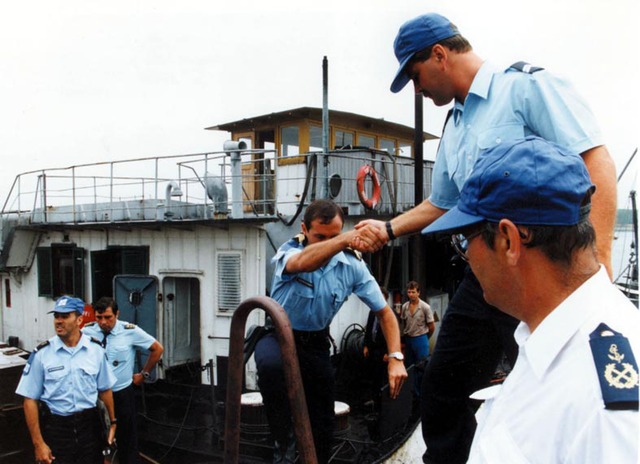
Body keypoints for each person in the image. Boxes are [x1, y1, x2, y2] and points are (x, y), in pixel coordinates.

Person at [353, 12, 617, 464]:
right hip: (486, 272)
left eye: (415, 76)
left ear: (439, 55)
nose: (416, 91)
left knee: (550, 386)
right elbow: (443, 204)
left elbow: (595, 162)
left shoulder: (524, 89)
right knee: (443, 386)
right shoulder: (454, 128)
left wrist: (599, 268)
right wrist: (389, 227)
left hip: (541, 272)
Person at [422, 136, 639, 463]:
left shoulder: (604, 411)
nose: (466, 257)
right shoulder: (547, 335)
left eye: (466, 241)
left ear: (509, 240)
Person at [255, 199, 408, 464]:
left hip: (315, 344)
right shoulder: (290, 252)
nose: (328, 242)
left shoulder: (352, 266)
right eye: (320, 236)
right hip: (279, 336)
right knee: (269, 367)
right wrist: (345, 239)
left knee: (323, 421)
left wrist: (396, 357)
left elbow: (385, 313)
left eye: (334, 236)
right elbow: (304, 263)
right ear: (304, 229)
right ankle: (283, 444)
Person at [15, 296, 117, 464]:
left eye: (65, 316)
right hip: (57, 428)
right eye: (56, 316)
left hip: (90, 427)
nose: (58, 321)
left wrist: (113, 423)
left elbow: (105, 389)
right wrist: (38, 444)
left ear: (79, 319)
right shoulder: (42, 354)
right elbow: (29, 400)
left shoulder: (96, 350)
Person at [82, 297, 164, 464]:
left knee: (127, 438)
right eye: (99, 318)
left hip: (121, 393)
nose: (103, 322)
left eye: (108, 317)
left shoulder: (129, 331)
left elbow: (157, 349)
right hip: (95, 395)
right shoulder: (87, 331)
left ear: (117, 314)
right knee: (95, 437)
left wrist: (144, 374)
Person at [400, 280, 435, 396]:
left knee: (422, 368)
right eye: (409, 292)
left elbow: (431, 326)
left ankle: (423, 394)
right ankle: (412, 394)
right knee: (409, 368)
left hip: (421, 338)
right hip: (409, 339)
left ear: (418, 293)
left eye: (413, 292)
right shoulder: (405, 307)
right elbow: (403, 323)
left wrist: (425, 338)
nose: (411, 294)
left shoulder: (425, 307)